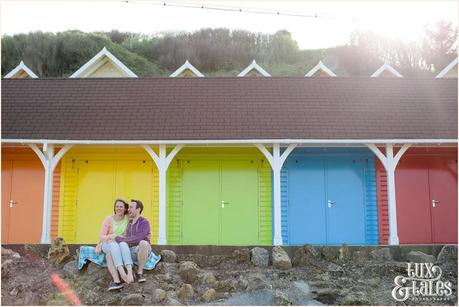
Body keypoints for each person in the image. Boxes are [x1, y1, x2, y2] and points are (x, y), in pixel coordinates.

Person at [96, 198, 132, 291]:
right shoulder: (109, 219)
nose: (118, 208)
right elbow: (101, 236)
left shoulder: (127, 219)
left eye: (121, 207)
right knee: (113, 245)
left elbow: (136, 217)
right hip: (107, 243)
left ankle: (119, 280)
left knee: (110, 255)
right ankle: (122, 273)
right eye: (116, 206)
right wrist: (110, 237)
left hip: (120, 243)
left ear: (125, 209)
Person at [115, 199, 152, 283]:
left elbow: (138, 238)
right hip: (131, 251)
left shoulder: (144, 222)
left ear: (138, 209)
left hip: (143, 249)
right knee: (119, 248)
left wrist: (121, 239)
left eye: (131, 207)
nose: (128, 209)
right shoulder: (129, 223)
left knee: (143, 243)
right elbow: (126, 237)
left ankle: (140, 273)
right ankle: (127, 273)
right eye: (129, 208)